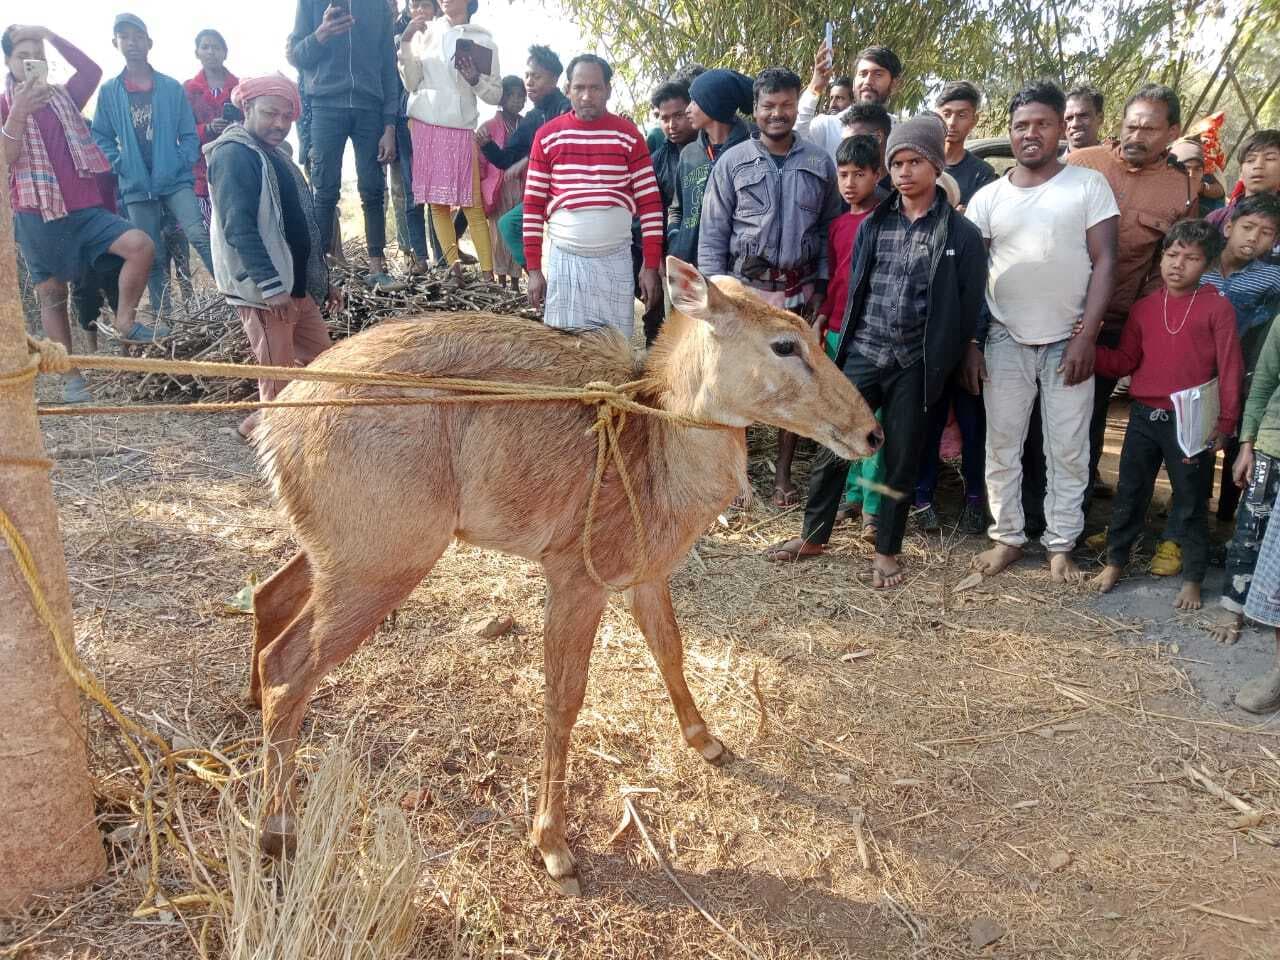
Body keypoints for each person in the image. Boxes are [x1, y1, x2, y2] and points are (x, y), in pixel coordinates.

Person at [765, 114, 987, 588]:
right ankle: (814, 535)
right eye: (898, 163)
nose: (905, 172)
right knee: (833, 442)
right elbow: (858, 288)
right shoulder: (874, 224)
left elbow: (968, 305)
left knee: (901, 455)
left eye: (915, 162)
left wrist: (964, 350)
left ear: (935, 165)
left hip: (916, 363)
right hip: (864, 349)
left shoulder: (960, 236)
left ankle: (887, 550)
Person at [961, 81, 1119, 584]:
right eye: (1021, 126)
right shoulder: (989, 197)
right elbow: (970, 274)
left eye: (1042, 124)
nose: (1031, 134)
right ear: (1009, 132)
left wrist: (1086, 337)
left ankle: (1060, 545)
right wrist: (971, 342)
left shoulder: (1087, 186)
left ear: (1059, 129)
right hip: (1005, 339)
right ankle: (1007, 537)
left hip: (1066, 343)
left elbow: (1107, 261)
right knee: (1002, 445)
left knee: (1068, 448)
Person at [698, 67, 843, 505]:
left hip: (796, 292)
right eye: (768, 106)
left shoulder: (819, 162)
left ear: (796, 106)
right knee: (735, 383)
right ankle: (734, 480)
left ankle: (782, 476)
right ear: (755, 109)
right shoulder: (732, 161)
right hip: (745, 291)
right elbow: (712, 233)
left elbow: (826, 230)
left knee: (792, 382)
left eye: (785, 106)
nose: (777, 114)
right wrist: (714, 297)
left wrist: (820, 285)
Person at [1, 23, 157, 401]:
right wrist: (18, 112)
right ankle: (71, 377)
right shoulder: (5, 105)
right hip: (36, 213)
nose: (31, 61)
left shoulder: (64, 97)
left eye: (37, 54)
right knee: (52, 293)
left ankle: (125, 321)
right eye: (23, 55)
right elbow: (6, 158)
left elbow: (91, 71)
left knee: (140, 245)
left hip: (85, 210)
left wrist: (51, 36)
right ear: (8, 61)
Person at [1093, 220, 1243, 610]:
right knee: (1130, 491)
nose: (1178, 264)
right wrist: (1086, 348)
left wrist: (1226, 422)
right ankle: (1115, 561)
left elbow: (1229, 368)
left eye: (1191, 258)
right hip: (1144, 417)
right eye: (1172, 255)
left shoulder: (1217, 308)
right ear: (1162, 258)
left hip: (1191, 420)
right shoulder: (1144, 308)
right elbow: (1127, 360)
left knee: (1191, 499)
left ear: (1207, 264)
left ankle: (1193, 576)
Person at [1066, 83, 1195, 513]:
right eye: (1131, 125)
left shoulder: (1180, 189)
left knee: (1090, 416)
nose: (1137, 136)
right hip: (1056, 312)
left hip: (1113, 324)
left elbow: (1171, 262)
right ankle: (1030, 507)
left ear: (1172, 131)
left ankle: (1075, 513)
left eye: (1150, 129)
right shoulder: (1081, 163)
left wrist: (1146, 326)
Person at [206, 74, 340, 439]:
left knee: (326, 365)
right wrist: (269, 286)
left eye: (287, 116)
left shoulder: (276, 156)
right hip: (268, 294)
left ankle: (258, 427)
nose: (280, 123)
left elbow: (302, 226)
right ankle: (277, 448)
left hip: (296, 289)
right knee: (278, 375)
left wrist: (322, 282)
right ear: (246, 108)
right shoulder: (234, 154)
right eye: (270, 113)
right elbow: (239, 228)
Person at [908, 80, 1000, 534]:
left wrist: (971, 343)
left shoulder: (965, 241)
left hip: (963, 348)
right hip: (924, 353)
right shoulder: (909, 242)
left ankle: (975, 499)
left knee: (973, 424)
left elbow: (978, 294)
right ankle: (922, 497)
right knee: (924, 426)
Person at [522, 54, 662, 337]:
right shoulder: (547, 136)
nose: (587, 96)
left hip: (616, 260)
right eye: (579, 87)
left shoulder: (629, 135)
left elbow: (650, 205)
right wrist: (535, 269)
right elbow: (533, 206)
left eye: (595, 88)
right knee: (566, 349)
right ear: (568, 90)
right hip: (565, 262)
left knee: (615, 349)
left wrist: (649, 265)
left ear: (608, 89)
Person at [92, 13, 214, 319]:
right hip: (135, 184)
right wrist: (120, 163)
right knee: (154, 254)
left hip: (174, 179)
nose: (132, 43)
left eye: (138, 37)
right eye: (125, 37)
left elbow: (188, 134)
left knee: (198, 234)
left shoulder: (170, 87)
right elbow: (101, 136)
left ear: (149, 42)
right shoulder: (110, 92)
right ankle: (165, 317)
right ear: (115, 43)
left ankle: (236, 293)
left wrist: (180, 162)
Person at [288, 0, 401, 290]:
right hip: (326, 105)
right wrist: (321, 34)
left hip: (370, 108)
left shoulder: (379, 7)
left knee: (374, 190)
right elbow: (297, 55)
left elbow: (389, 67)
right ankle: (320, 272)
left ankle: (377, 268)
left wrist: (389, 126)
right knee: (324, 191)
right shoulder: (311, 3)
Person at [815, 134, 888, 540]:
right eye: (843, 174)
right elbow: (833, 277)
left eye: (859, 174)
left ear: (877, 175)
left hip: (871, 333)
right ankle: (852, 495)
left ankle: (873, 507)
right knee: (842, 413)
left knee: (873, 418)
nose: (849, 183)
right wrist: (823, 315)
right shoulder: (838, 225)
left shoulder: (886, 221)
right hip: (837, 329)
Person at [399, 0, 500, 285]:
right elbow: (411, 82)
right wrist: (406, 43)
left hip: (460, 127)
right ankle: (453, 269)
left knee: (472, 204)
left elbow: (494, 95)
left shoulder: (483, 40)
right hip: (425, 124)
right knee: (436, 204)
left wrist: (475, 79)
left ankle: (487, 275)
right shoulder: (424, 32)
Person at [1208, 318, 1280, 713]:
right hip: (1274, 445)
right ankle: (1235, 607)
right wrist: (1248, 444)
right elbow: (1264, 384)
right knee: (1251, 537)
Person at [1196, 194, 1280, 527]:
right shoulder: (1199, 266)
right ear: (1229, 227)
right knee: (1197, 442)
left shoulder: (1272, 280)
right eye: (1247, 227)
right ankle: (1192, 507)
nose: (1254, 237)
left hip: (1242, 373)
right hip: (1197, 371)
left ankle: (1226, 515)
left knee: (1233, 442)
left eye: (1266, 233)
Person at [476, 43, 569, 270]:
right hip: (546, 194)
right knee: (508, 225)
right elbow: (506, 160)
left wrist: (528, 160)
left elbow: (564, 147)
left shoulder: (566, 108)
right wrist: (487, 145)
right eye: (527, 75)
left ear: (555, 79)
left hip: (571, 192)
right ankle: (536, 276)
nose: (529, 82)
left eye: (536, 76)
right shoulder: (532, 118)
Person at [666, 67, 752, 266]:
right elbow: (676, 208)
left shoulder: (754, 147)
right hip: (689, 267)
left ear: (714, 104)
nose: (688, 109)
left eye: (695, 102)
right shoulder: (689, 154)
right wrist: (676, 240)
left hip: (737, 270)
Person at [798, 44, 902, 159]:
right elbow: (794, 141)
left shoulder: (899, 131)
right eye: (862, 74)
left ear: (894, 84)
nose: (867, 81)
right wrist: (814, 88)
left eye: (878, 74)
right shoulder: (827, 126)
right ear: (853, 83)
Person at [183, 28, 239, 224]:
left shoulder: (240, 88)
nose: (210, 52)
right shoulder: (188, 90)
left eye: (216, 47)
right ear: (196, 52)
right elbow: (182, 131)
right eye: (205, 47)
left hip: (235, 165)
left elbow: (251, 123)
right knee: (211, 228)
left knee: (236, 222)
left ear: (225, 52)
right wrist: (207, 129)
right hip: (201, 170)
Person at [477, 74, 527, 289]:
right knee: (497, 232)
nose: (516, 100)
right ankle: (501, 281)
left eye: (521, 96)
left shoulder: (528, 125)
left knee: (519, 231)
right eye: (511, 95)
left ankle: (516, 282)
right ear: (501, 98)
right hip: (497, 189)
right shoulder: (488, 126)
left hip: (522, 186)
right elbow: (481, 161)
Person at [1208, 130, 1280, 265]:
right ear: (1240, 172)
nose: (1258, 165)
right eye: (1251, 160)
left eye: (1270, 158)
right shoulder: (1216, 219)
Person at [934, 81, 996, 211]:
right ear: (937, 116)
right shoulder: (917, 162)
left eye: (962, 115)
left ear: (974, 120)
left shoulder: (982, 174)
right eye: (946, 114)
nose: (952, 122)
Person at [1170, 137, 1225, 214]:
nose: (1191, 175)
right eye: (1186, 168)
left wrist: (1202, 188)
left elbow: (1219, 191)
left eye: (1197, 169)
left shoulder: (1209, 174)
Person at [1064, 85, 1104, 153]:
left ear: (1100, 118)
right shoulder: (1048, 163)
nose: (1075, 124)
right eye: (1069, 118)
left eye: (1083, 116)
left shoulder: (1116, 162)